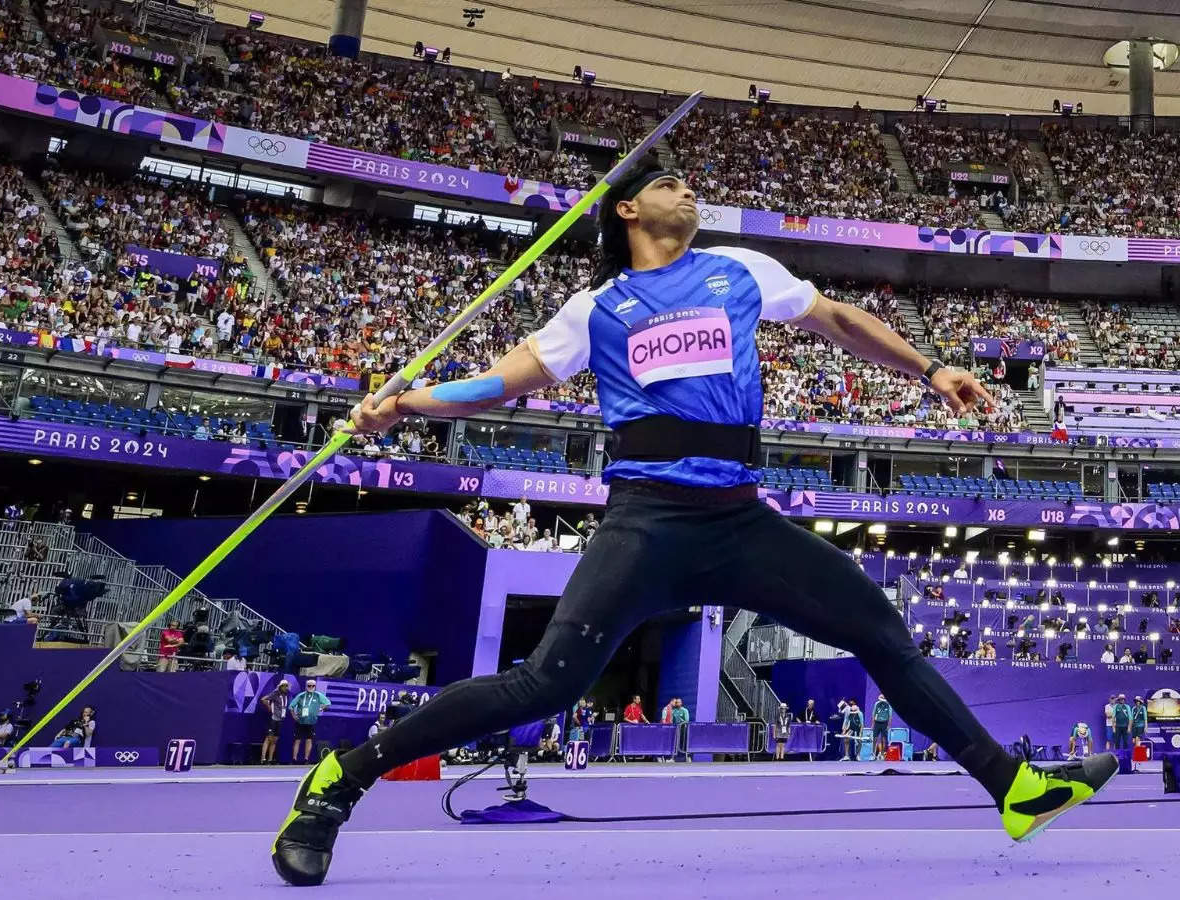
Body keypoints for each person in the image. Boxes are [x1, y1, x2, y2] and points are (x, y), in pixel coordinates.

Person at [271, 159, 1118, 887]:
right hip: (648, 525)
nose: (689, 190)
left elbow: (837, 320)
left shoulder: (739, 269)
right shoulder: (595, 308)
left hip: (741, 521)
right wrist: (404, 404)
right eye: (668, 183)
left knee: (881, 634)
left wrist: (930, 367)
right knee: (545, 686)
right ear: (629, 210)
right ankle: (340, 779)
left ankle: (1013, 789)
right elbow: (503, 380)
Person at [290, 679, 331, 764]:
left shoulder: (318, 695)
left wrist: (321, 708)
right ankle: (294, 759)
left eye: (313, 686)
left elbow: (328, 704)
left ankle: (306, 759)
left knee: (309, 740)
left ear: (315, 687)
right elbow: (291, 706)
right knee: (297, 740)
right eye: (309, 685)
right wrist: (294, 716)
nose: (311, 687)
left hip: (311, 722)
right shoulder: (301, 695)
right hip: (300, 722)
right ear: (306, 686)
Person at [261, 680, 291, 764]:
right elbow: (263, 699)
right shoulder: (275, 693)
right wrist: (269, 707)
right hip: (273, 720)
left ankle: (270, 760)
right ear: (280, 686)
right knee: (268, 739)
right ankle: (263, 759)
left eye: (286, 686)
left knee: (275, 740)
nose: (285, 687)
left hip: (280, 720)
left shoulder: (285, 695)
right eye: (284, 686)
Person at [871, 693, 892, 759]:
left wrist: (888, 725)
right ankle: (873, 754)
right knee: (875, 738)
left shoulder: (888, 705)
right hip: (877, 723)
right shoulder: (876, 704)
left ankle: (883, 754)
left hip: (884, 723)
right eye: (881, 696)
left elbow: (890, 716)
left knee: (883, 739)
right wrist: (873, 724)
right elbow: (874, 714)